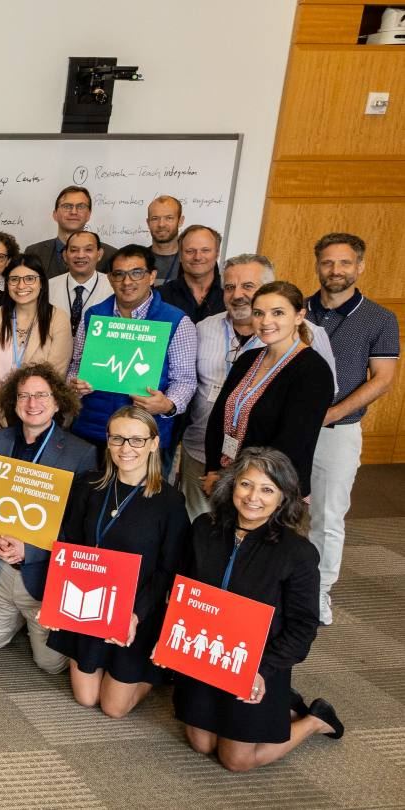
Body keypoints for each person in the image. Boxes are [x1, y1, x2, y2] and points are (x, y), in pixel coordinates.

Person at [175, 448, 341, 771]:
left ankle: (314, 720)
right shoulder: (203, 529)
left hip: (257, 663)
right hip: (205, 654)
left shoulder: (298, 553)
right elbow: (183, 591)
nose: (253, 497)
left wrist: (263, 670)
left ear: (283, 498)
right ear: (231, 485)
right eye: (246, 485)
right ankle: (286, 703)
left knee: (236, 760)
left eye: (267, 489)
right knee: (201, 743)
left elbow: (302, 628)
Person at [47, 406, 188, 718]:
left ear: (154, 443)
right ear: (107, 441)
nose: (126, 449)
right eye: (118, 439)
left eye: (137, 440)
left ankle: (158, 672)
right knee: (86, 698)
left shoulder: (170, 501)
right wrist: (57, 601)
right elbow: (68, 545)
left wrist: (136, 615)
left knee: (113, 709)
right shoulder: (88, 485)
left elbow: (168, 570)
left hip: (135, 611)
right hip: (88, 605)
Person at [0, 364, 95, 673]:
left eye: (41, 395)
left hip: (42, 573)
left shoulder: (81, 454)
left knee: (51, 664)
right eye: (24, 395)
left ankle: (29, 621)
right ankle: (15, 619)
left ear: (57, 401)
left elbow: (79, 526)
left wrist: (33, 550)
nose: (32, 403)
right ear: (14, 401)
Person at [304, 233, 397, 626]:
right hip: (287, 429)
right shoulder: (296, 308)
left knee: (327, 516)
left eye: (344, 263)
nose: (335, 271)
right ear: (318, 265)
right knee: (270, 508)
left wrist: (332, 412)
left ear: (359, 266)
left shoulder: (380, 319)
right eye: (328, 263)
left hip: (336, 431)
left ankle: (317, 593)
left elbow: (382, 379)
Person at [203, 281, 333, 498]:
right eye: (258, 313)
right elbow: (218, 418)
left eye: (278, 313)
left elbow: (292, 442)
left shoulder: (313, 371)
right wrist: (214, 470)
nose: (266, 321)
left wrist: (242, 482)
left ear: (299, 316)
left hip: (271, 488)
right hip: (229, 479)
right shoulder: (248, 359)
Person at [68, 245, 197, 458]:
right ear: (110, 278)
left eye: (136, 273)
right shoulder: (93, 316)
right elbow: (75, 366)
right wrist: (74, 383)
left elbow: (184, 380)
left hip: (143, 436)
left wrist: (167, 405)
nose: (127, 282)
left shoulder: (177, 321)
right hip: (92, 431)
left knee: (138, 492)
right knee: (87, 490)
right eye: (119, 274)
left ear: (151, 276)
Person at [0, 255, 72, 430]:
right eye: (14, 279)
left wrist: (30, 415)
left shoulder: (58, 319)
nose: (21, 286)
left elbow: (56, 374)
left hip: (38, 417)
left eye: (29, 279)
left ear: (41, 283)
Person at [24, 186, 117, 280]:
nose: (73, 212)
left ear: (88, 215)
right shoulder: (33, 252)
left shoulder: (110, 255)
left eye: (80, 206)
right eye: (67, 206)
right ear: (55, 214)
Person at [48, 230, 112, 333]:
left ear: (99, 254)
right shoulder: (48, 287)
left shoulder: (113, 287)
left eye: (88, 249)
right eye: (74, 250)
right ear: (65, 255)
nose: (80, 255)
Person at [158, 225, 225, 323]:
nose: (197, 257)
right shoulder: (160, 297)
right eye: (190, 251)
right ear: (180, 255)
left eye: (205, 250)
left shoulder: (231, 294)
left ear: (217, 253)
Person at [146, 195, 185, 281]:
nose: (161, 224)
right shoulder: (138, 260)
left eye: (169, 218)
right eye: (155, 218)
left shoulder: (194, 260)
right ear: (148, 223)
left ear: (180, 221)